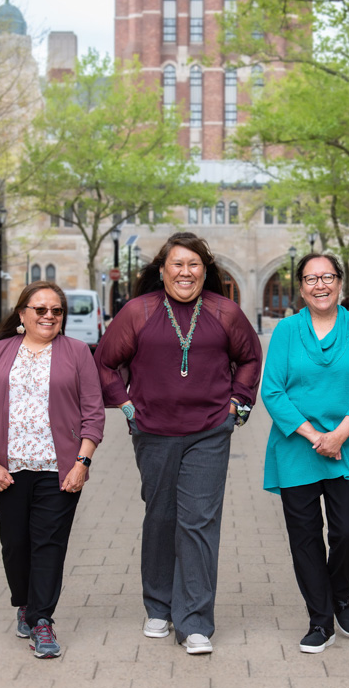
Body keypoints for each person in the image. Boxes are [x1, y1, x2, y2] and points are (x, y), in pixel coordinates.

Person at [94, 232, 262, 654]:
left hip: (209, 431)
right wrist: (127, 408)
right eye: (177, 265)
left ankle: (195, 622)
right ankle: (159, 605)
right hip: (153, 432)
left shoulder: (225, 312)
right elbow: (106, 364)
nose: (185, 273)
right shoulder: (139, 312)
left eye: (194, 265)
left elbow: (249, 358)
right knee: (162, 516)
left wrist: (237, 406)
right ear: (163, 269)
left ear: (206, 271)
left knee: (199, 521)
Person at [0, 281, 105, 659]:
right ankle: (25, 603)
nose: (49, 316)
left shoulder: (78, 353)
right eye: (40, 309)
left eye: (56, 311)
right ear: (22, 313)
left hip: (58, 472)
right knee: (15, 544)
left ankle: (42, 621)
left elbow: (93, 415)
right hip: (7, 471)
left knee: (49, 545)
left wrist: (82, 463)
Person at [260, 253, 349, 654]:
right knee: (305, 537)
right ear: (300, 287)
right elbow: (273, 390)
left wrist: (339, 435)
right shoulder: (285, 331)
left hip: (347, 447)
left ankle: (341, 593)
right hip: (297, 447)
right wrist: (315, 435)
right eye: (311, 279)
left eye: (327, 277)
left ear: (340, 282)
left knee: (348, 530)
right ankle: (320, 621)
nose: (320, 285)